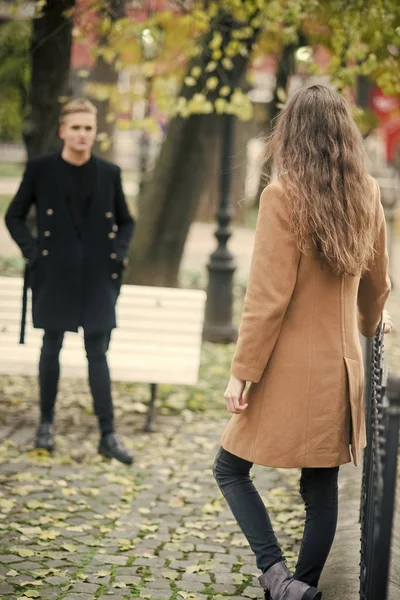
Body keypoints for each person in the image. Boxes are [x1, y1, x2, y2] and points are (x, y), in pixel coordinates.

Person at [213, 85, 392, 600]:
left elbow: (266, 299)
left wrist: (240, 371)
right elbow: (377, 286)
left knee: (228, 467)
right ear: (344, 135)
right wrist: (368, 324)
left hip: (286, 368)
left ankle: (275, 575)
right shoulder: (367, 193)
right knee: (320, 488)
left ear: (290, 131)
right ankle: (299, 588)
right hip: (341, 367)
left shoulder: (282, 196)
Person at [5, 99, 135, 465]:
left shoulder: (109, 173)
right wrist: (33, 253)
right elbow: (14, 216)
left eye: (88, 128)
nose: (82, 134)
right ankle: (45, 425)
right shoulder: (40, 169)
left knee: (98, 352)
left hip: (97, 276)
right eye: (75, 127)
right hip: (54, 273)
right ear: (63, 130)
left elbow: (127, 221)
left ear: (95, 132)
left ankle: (107, 434)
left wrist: (117, 253)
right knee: (51, 345)